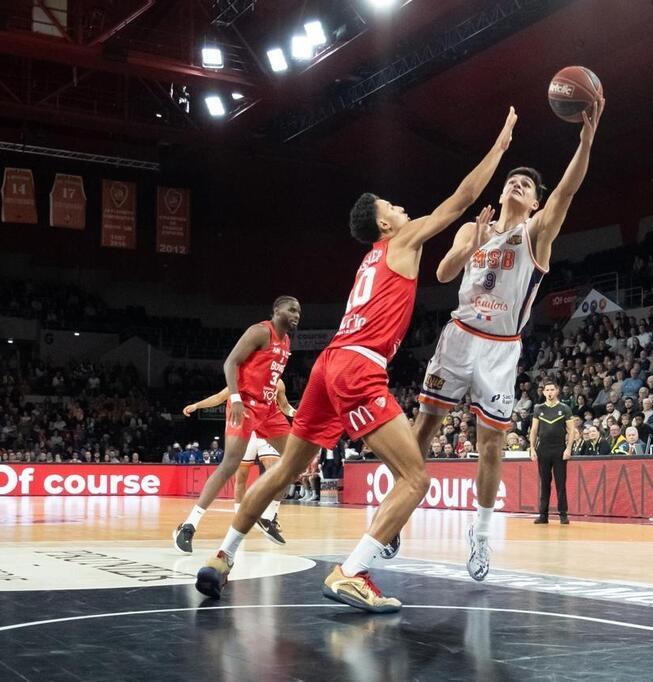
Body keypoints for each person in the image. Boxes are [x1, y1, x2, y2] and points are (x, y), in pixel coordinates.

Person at [195, 107, 519, 611]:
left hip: (327, 364)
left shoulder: (368, 260)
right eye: (392, 203)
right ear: (382, 221)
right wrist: (499, 147)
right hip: (358, 366)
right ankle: (352, 571)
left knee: (282, 472)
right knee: (416, 478)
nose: (401, 206)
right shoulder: (400, 240)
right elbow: (461, 199)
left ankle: (220, 557)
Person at [412, 97, 604, 581]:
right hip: (458, 337)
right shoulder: (470, 229)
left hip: (501, 348)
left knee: (492, 446)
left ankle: (479, 536)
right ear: (503, 192)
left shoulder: (537, 233)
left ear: (534, 202)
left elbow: (566, 191)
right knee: (423, 431)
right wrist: (472, 243)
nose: (518, 184)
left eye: (527, 184)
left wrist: (585, 139)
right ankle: (397, 513)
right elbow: (441, 272)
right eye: (512, 180)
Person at [172, 297, 300, 554]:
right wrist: (235, 398)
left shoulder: (286, 342)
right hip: (245, 404)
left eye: (299, 311)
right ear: (277, 310)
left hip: (269, 408)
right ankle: (188, 526)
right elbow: (230, 362)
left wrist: (296, 414)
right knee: (230, 464)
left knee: (295, 462)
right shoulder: (260, 331)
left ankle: (268, 517)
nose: (297, 314)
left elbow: (281, 398)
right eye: (292, 309)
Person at [181, 381, 297, 540]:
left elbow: (284, 406)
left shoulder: (279, 383)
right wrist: (196, 406)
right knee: (240, 475)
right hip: (248, 428)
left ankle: (270, 517)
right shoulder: (248, 376)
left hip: (269, 424)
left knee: (283, 468)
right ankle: (238, 515)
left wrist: (294, 412)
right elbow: (220, 397)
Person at [529, 381, 577, 525]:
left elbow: (571, 431)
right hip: (543, 449)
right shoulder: (538, 409)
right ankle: (543, 515)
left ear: (557, 391)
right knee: (544, 483)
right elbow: (534, 431)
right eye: (547, 390)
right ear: (543, 392)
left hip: (559, 449)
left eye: (552, 389)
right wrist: (532, 448)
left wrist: (568, 449)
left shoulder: (565, 408)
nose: (549, 392)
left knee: (560, 483)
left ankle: (563, 514)